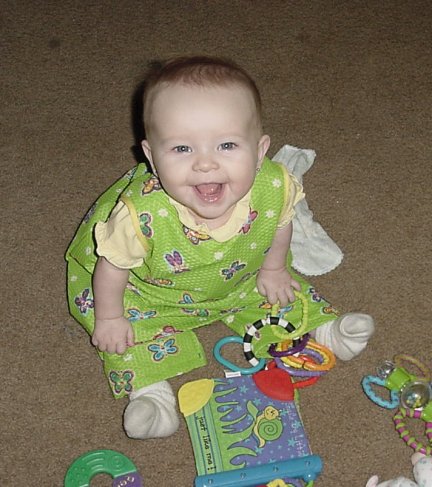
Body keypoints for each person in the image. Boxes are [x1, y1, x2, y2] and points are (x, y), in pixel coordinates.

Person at [66, 56, 374, 440]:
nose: (205, 164)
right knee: (119, 331)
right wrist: (111, 317)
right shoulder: (139, 216)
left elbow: (280, 225)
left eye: (227, 145)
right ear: (151, 157)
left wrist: (273, 268)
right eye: (182, 148)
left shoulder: (273, 186)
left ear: (259, 152)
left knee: (281, 290)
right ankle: (151, 396)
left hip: (239, 277)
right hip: (151, 294)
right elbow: (112, 269)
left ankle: (324, 332)